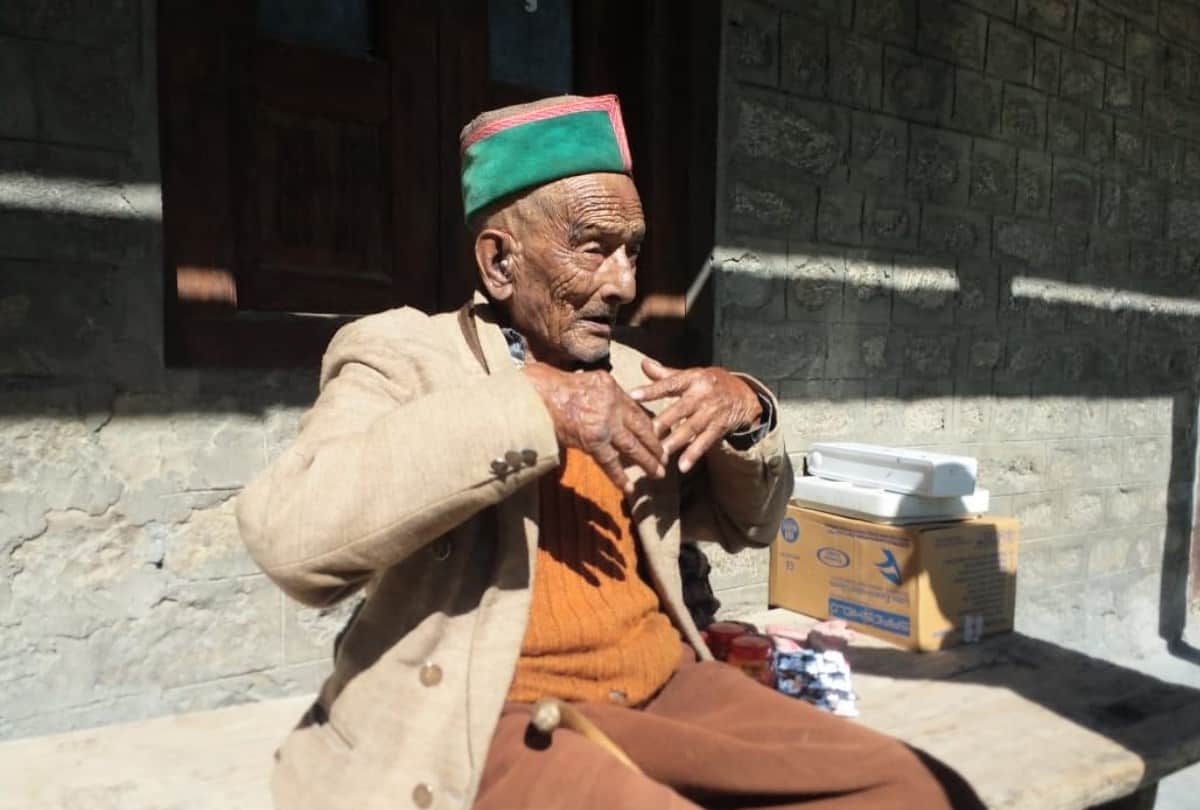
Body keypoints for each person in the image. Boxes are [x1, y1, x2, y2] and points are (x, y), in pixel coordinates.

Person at [238, 94, 971, 810]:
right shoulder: (404, 355)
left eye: (633, 251)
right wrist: (537, 404)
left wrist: (748, 413)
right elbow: (291, 542)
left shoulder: (629, 375)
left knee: (921, 789)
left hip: (667, 685)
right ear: (500, 263)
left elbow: (746, 526)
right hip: (495, 715)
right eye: (593, 248)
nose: (623, 283)